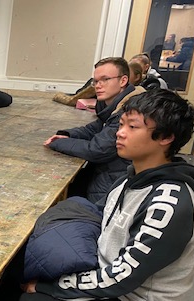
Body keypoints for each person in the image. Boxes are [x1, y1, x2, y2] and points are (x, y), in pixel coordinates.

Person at [0, 89, 194, 301]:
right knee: (14, 269)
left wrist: (52, 286)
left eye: (132, 127)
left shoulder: (168, 205)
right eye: (121, 124)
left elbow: (122, 279)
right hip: (105, 270)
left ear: (165, 138)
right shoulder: (133, 176)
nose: (120, 133)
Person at [43, 57, 145, 204]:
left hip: (112, 186)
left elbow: (98, 149)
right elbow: (95, 128)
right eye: (96, 81)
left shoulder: (128, 111)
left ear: (123, 81)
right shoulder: (113, 105)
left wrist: (58, 143)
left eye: (105, 79)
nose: (98, 86)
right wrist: (66, 134)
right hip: (107, 173)